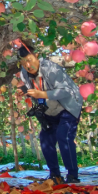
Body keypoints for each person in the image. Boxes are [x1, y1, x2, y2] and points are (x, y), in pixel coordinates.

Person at [17, 40, 84, 183]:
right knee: (45, 139)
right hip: (49, 111)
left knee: (64, 136)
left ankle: (72, 175)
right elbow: (32, 88)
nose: (27, 66)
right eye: (23, 63)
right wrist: (24, 91)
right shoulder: (24, 73)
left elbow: (66, 91)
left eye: (29, 60)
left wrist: (42, 94)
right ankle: (55, 175)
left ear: (37, 56)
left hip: (67, 106)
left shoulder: (51, 69)